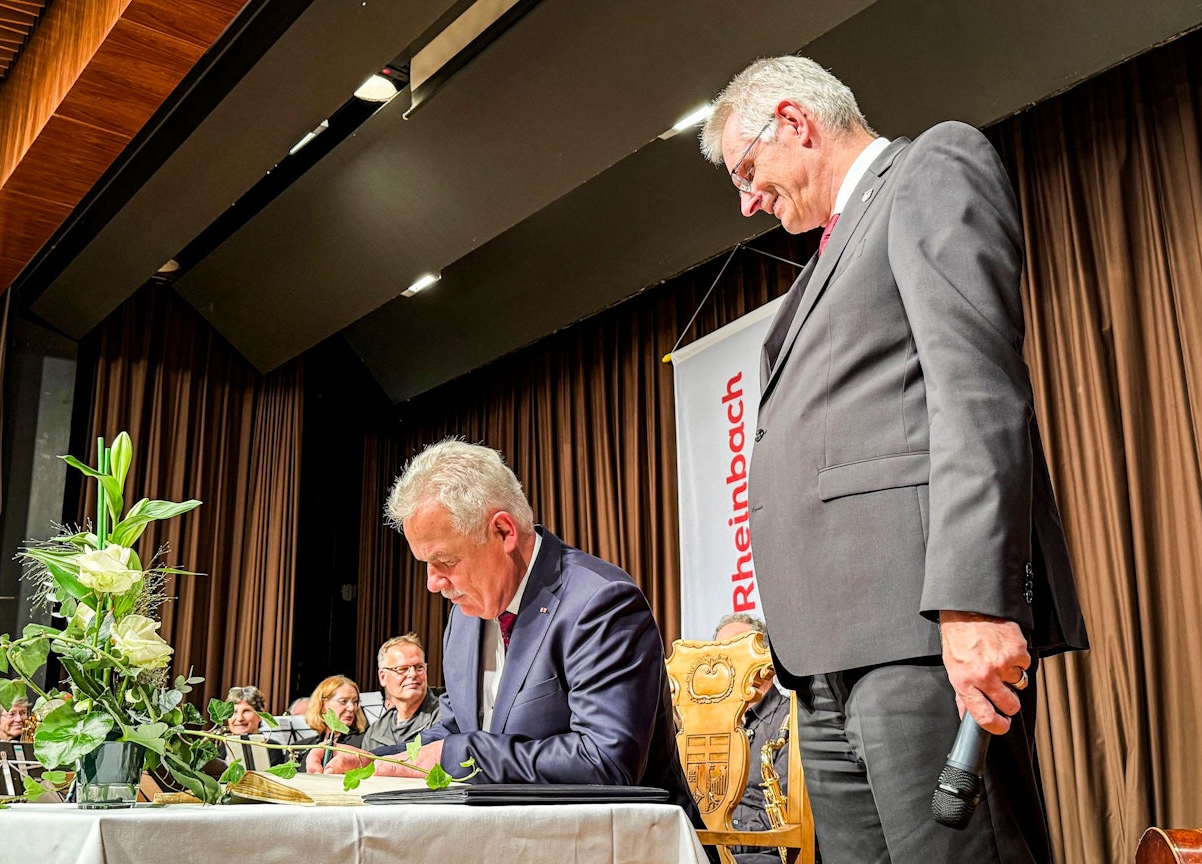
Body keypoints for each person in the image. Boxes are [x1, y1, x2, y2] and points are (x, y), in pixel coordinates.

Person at [699, 56, 1088, 863]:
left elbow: (976, 391)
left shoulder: (928, 170)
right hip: (826, 658)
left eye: (747, 170)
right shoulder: (822, 261)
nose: (748, 200)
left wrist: (974, 602)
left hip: (919, 632)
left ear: (796, 123)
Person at [318, 439, 695, 820]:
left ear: (503, 531)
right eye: (425, 564)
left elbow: (606, 763)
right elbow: (455, 727)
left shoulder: (600, 602)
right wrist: (365, 759)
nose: (432, 583)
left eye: (444, 560)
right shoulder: (464, 616)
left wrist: (460, 756)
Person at [713, 614, 790, 864]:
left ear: (764, 660)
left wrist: (724, 834)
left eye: (734, 651)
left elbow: (784, 816)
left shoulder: (791, 721)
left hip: (763, 853)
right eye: (718, 653)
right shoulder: (709, 723)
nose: (723, 663)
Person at [361, 633, 441, 751]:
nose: (413, 674)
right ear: (383, 677)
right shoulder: (375, 732)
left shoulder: (444, 716)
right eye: (402, 669)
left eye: (419, 667)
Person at [304, 675, 367, 749]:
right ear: (323, 704)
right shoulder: (299, 747)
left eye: (355, 701)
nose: (352, 708)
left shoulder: (364, 742)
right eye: (343, 701)